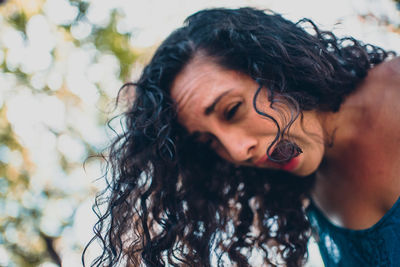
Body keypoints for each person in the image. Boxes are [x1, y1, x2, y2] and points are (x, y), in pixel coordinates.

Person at [84, 7, 400, 267]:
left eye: (232, 110)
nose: (237, 151)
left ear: (275, 67)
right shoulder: (313, 201)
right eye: (209, 142)